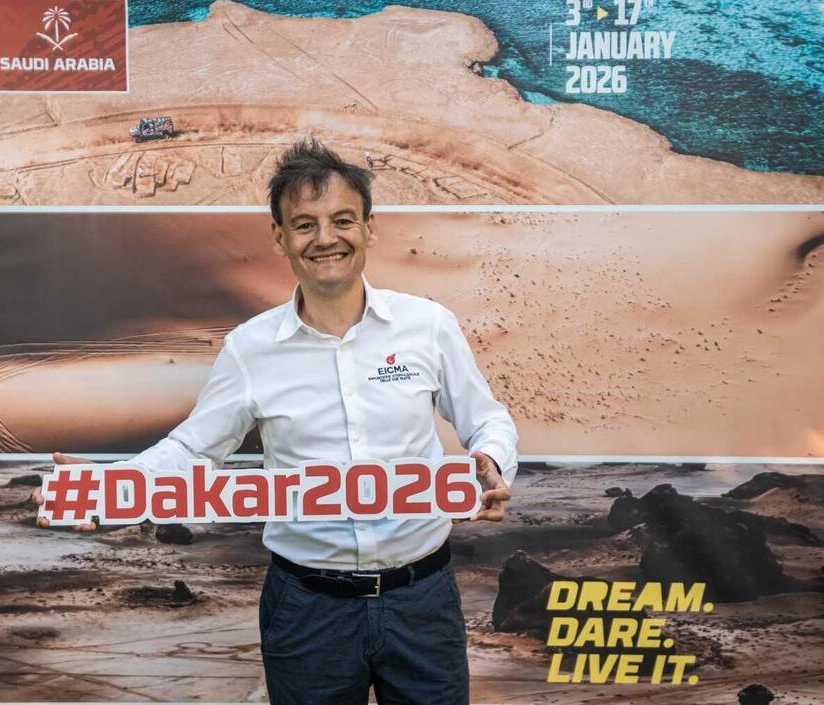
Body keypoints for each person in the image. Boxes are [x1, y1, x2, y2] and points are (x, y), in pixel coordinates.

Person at [33, 137, 517, 704]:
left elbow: (488, 420)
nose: (326, 238)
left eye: (342, 220)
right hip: (308, 609)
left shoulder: (428, 326)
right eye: (304, 224)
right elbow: (194, 449)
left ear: (369, 228)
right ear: (279, 237)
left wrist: (491, 461)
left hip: (421, 599)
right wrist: (117, 485)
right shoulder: (250, 348)